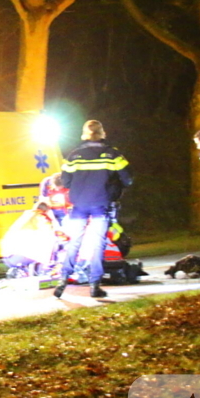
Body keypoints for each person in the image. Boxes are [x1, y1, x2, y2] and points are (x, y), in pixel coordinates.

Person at [54, 120, 132, 299]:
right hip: (101, 204)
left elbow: (65, 182)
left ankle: (63, 280)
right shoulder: (112, 155)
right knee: (98, 244)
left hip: (79, 205)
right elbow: (128, 178)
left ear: (84, 134)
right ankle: (95, 285)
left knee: (74, 242)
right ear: (102, 133)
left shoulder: (73, 156)